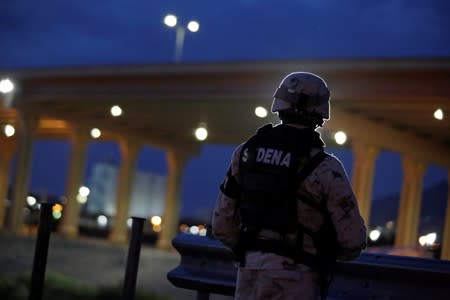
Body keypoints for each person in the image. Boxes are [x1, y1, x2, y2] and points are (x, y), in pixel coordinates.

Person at [212, 72, 367, 300]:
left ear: (280, 105)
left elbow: (222, 226)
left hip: (249, 274)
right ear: (320, 113)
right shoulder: (326, 168)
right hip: (298, 280)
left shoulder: (246, 154)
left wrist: (255, 251)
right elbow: (353, 241)